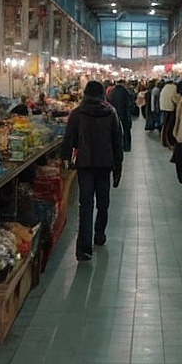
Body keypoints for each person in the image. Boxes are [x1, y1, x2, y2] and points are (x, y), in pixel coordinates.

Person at [62, 80, 123, 262]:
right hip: (105, 165)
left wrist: (67, 159)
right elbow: (117, 142)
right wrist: (118, 168)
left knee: (85, 205)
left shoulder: (77, 113)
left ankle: (84, 249)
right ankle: (100, 235)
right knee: (103, 202)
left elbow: (69, 140)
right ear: (102, 94)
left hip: (85, 165)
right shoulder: (111, 113)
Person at [107, 77, 133, 152]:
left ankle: (117, 147)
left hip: (114, 115)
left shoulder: (112, 92)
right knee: (126, 131)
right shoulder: (125, 92)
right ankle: (127, 147)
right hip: (124, 114)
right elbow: (129, 104)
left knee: (115, 132)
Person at [158, 77, 178, 146]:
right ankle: (167, 141)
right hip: (169, 108)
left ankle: (164, 140)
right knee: (169, 125)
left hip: (163, 107)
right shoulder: (173, 87)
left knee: (165, 124)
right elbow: (174, 97)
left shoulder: (166, 87)